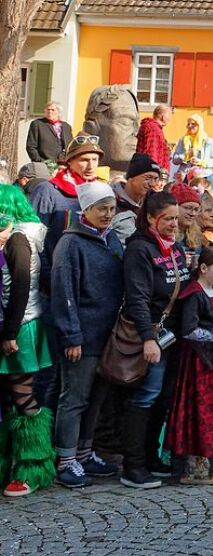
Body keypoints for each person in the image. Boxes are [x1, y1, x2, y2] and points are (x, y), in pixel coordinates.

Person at [50, 182, 123, 488]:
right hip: (82, 336)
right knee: (75, 398)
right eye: (101, 209)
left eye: (111, 208)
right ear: (87, 211)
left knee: (96, 399)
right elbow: (63, 292)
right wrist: (72, 336)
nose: (108, 214)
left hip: (108, 337)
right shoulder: (71, 244)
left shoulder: (112, 240)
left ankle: (84, 452)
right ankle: (66, 459)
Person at [119, 190, 191, 490]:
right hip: (150, 332)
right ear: (151, 218)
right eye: (168, 219)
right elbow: (137, 297)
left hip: (173, 335)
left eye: (177, 218)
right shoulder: (140, 249)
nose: (175, 224)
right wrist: (149, 338)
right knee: (146, 395)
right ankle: (133, 466)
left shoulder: (175, 248)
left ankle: (150, 457)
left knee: (162, 397)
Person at [0, 186, 55, 498]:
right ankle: (9, 463)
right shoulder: (16, 236)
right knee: (8, 398)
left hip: (20, 327)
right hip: (14, 325)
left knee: (24, 398)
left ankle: (33, 468)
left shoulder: (19, 239)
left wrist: (9, 333)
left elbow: (20, 289)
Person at [165, 246, 213, 485]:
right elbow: (189, 330)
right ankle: (194, 466)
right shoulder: (194, 294)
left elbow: (212, 320)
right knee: (199, 409)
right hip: (198, 363)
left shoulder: (212, 290)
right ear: (203, 268)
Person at [111, 152, 162, 246]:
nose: (152, 184)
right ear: (131, 177)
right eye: (148, 178)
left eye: (156, 179)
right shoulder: (110, 201)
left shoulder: (153, 203)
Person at [170, 114, 213, 184]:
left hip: (204, 176)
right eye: (188, 124)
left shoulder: (208, 141)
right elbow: (174, 160)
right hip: (185, 176)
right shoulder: (183, 140)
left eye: (193, 124)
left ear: (199, 125)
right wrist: (185, 156)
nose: (189, 126)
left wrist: (201, 162)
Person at [169, 182, 204, 269]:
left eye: (196, 209)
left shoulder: (196, 235)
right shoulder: (166, 236)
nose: (192, 213)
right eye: (188, 208)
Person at [135, 104, 172, 173]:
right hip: (151, 170)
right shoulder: (153, 128)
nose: (170, 118)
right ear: (163, 117)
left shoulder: (153, 127)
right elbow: (152, 152)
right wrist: (154, 171)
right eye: (169, 115)